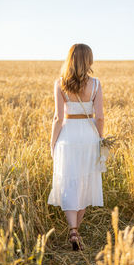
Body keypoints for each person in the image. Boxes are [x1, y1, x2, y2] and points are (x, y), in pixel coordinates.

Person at [47, 43, 104, 251]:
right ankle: (76, 230)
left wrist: (53, 142)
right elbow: (100, 117)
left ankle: (73, 229)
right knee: (85, 181)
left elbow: (58, 117)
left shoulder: (60, 83)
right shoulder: (96, 84)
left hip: (68, 136)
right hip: (89, 137)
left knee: (69, 181)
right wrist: (100, 139)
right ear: (88, 60)